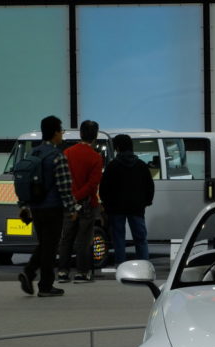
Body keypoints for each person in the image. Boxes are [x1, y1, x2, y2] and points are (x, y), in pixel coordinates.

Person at [17, 115, 78, 298]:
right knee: (50, 248)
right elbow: (64, 186)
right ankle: (44, 286)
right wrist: (72, 208)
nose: (62, 135)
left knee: (45, 244)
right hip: (53, 208)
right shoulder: (57, 156)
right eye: (61, 131)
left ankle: (29, 274)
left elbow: (24, 181)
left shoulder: (33, 153)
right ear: (55, 133)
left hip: (35, 207)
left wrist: (23, 205)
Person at [56, 120, 104, 283]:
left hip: (68, 204)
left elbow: (61, 178)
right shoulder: (96, 157)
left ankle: (63, 272)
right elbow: (92, 185)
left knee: (66, 238)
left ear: (80, 134)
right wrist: (79, 196)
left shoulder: (67, 153)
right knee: (84, 239)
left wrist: (71, 197)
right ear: (95, 136)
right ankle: (82, 273)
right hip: (88, 204)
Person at [100, 134, 154, 265]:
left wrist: (106, 205)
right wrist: (146, 202)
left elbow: (104, 188)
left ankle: (121, 266)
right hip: (136, 208)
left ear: (117, 148)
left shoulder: (112, 166)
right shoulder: (141, 165)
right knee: (140, 239)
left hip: (116, 209)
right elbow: (149, 186)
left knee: (119, 239)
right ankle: (143, 266)